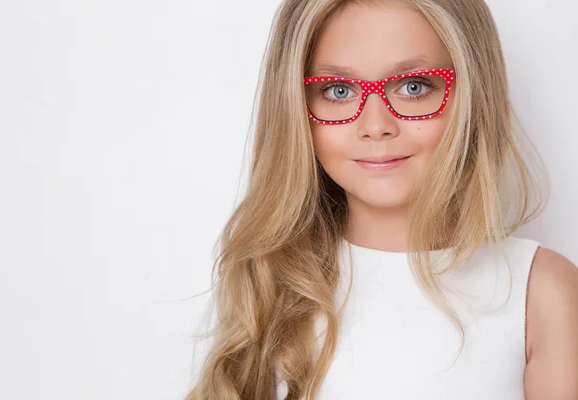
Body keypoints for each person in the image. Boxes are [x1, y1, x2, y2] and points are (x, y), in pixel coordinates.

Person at [185, 0, 578, 399]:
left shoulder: (539, 290)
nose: (375, 126)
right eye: (338, 91)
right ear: (297, 109)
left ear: (473, 95)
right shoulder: (270, 282)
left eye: (414, 87)